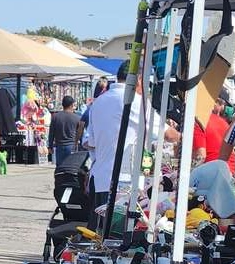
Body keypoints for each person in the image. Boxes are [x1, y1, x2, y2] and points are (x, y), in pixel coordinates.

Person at [83, 64, 178, 224]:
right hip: (124, 184)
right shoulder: (136, 101)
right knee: (120, 234)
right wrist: (186, 137)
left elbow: (90, 142)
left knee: (99, 233)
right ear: (139, 79)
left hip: (100, 179)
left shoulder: (98, 102)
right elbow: (168, 134)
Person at [192, 86, 233, 165]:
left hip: (214, 169)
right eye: (222, 104)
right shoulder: (225, 124)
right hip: (229, 169)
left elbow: (201, 156)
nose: (223, 108)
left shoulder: (200, 121)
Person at [47, 95, 80, 165]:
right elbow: (80, 134)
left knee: (60, 168)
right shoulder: (77, 118)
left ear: (62, 105)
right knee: (71, 167)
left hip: (59, 147)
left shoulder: (55, 117)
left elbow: (51, 133)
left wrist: (50, 146)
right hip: (72, 146)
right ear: (71, 105)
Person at [77, 78, 108, 147]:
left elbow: (81, 125)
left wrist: (77, 141)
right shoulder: (107, 110)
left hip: (92, 143)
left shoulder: (90, 110)